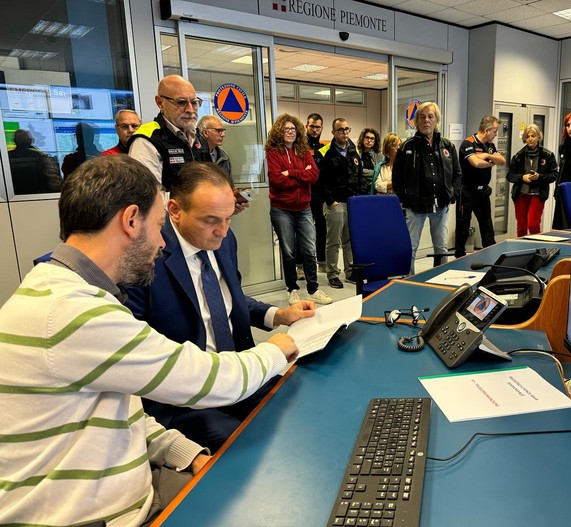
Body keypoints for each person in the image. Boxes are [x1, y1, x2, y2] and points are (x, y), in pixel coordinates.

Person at [0, 155, 299, 526]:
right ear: (129, 221)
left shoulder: (60, 293)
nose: (162, 241)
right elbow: (210, 381)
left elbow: (117, 409)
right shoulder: (74, 313)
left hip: (136, 489)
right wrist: (277, 347)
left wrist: (182, 451)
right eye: (158, 226)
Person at [124, 160, 314, 450]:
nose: (223, 230)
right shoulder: (147, 258)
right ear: (174, 210)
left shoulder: (224, 240)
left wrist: (277, 314)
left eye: (228, 219)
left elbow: (229, 300)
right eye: (211, 220)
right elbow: (139, 357)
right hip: (185, 397)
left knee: (301, 401)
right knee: (243, 444)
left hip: (237, 370)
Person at [266, 114, 333, 306]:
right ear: (279, 131)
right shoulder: (273, 153)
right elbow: (277, 180)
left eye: (293, 129)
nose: (290, 132)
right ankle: (292, 289)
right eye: (286, 129)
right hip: (281, 209)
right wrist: (299, 176)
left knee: (310, 250)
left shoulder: (304, 151)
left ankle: (313, 289)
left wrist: (292, 173)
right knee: (288, 252)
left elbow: (314, 175)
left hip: (304, 208)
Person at [393, 102, 461, 273]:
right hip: (415, 206)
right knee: (411, 248)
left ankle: (440, 278)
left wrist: (452, 194)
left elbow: (457, 174)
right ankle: (409, 281)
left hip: (441, 206)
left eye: (430, 117)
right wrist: (403, 198)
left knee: (441, 248)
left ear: (436, 120)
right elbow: (397, 177)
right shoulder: (407, 147)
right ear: (416, 121)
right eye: (422, 117)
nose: (426, 121)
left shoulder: (447, 146)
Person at [129, 74, 206, 189]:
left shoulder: (197, 136)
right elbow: (148, 196)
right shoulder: (147, 140)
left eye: (194, 102)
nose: (190, 110)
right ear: (160, 103)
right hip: (173, 207)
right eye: (181, 102)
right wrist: (193, 203)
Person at [318, 117, 367, 288]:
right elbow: (320, 181)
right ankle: (332, 273)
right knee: (333, 241)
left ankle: (350, 272)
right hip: (336, 204)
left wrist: (359, 199)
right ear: (333, 132)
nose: (344, 133)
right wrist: (331, 201)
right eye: (340, 130)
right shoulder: (325, 152)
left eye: (347, 129)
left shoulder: (354, 151)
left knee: (349, 240)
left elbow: (360, 176)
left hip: (353, 203)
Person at [455, 115, 506, 255]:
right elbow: (476, 163)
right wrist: (490, 160)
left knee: (487, 226)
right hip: (467, 192)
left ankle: (490, 255)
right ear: (486, 130)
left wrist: (487, 156)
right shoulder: (468, 143)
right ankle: (459, 256)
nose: (496, 134)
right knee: (463, 227)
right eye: (495, 131)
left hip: (483, 192)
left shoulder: (490, 145)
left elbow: (502, 161)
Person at [506, 124, 558, 237]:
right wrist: (522, 177)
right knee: (521, 226)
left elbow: (554, 175)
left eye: (533, 136)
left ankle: (536, 248)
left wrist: (539, 177)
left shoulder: (547, 155)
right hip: (521, 194)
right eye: (528, 136)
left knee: (533, 225)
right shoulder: (518, 156)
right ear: (525, 138)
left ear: (538, 137)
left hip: (538, 194)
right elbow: (510, 175)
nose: (530, 138)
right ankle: (522, 250)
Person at [296, 113, 327, 279]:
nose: (315, 130)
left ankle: (322, 262)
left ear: (322, 128)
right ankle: (300, 266)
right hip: (304, 193)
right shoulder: (300, 147)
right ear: (306, 127)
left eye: (318, 127)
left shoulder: (323, 148)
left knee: (322, 228)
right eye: (312, 126)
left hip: (320, 195)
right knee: (303, 231)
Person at [8, 129, 62, 194]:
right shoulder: (43, 156)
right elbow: (55, 184)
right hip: (42, 197)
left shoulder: (7, 158)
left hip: (16, 197)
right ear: (31, 141)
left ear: (14, 141)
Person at [197, 115, 232, 179]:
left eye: (223, 131)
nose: (223, 135)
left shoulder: (224, 157)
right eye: (218, 131)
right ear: (205, 133)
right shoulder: (194, 156)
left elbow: (229, 183)